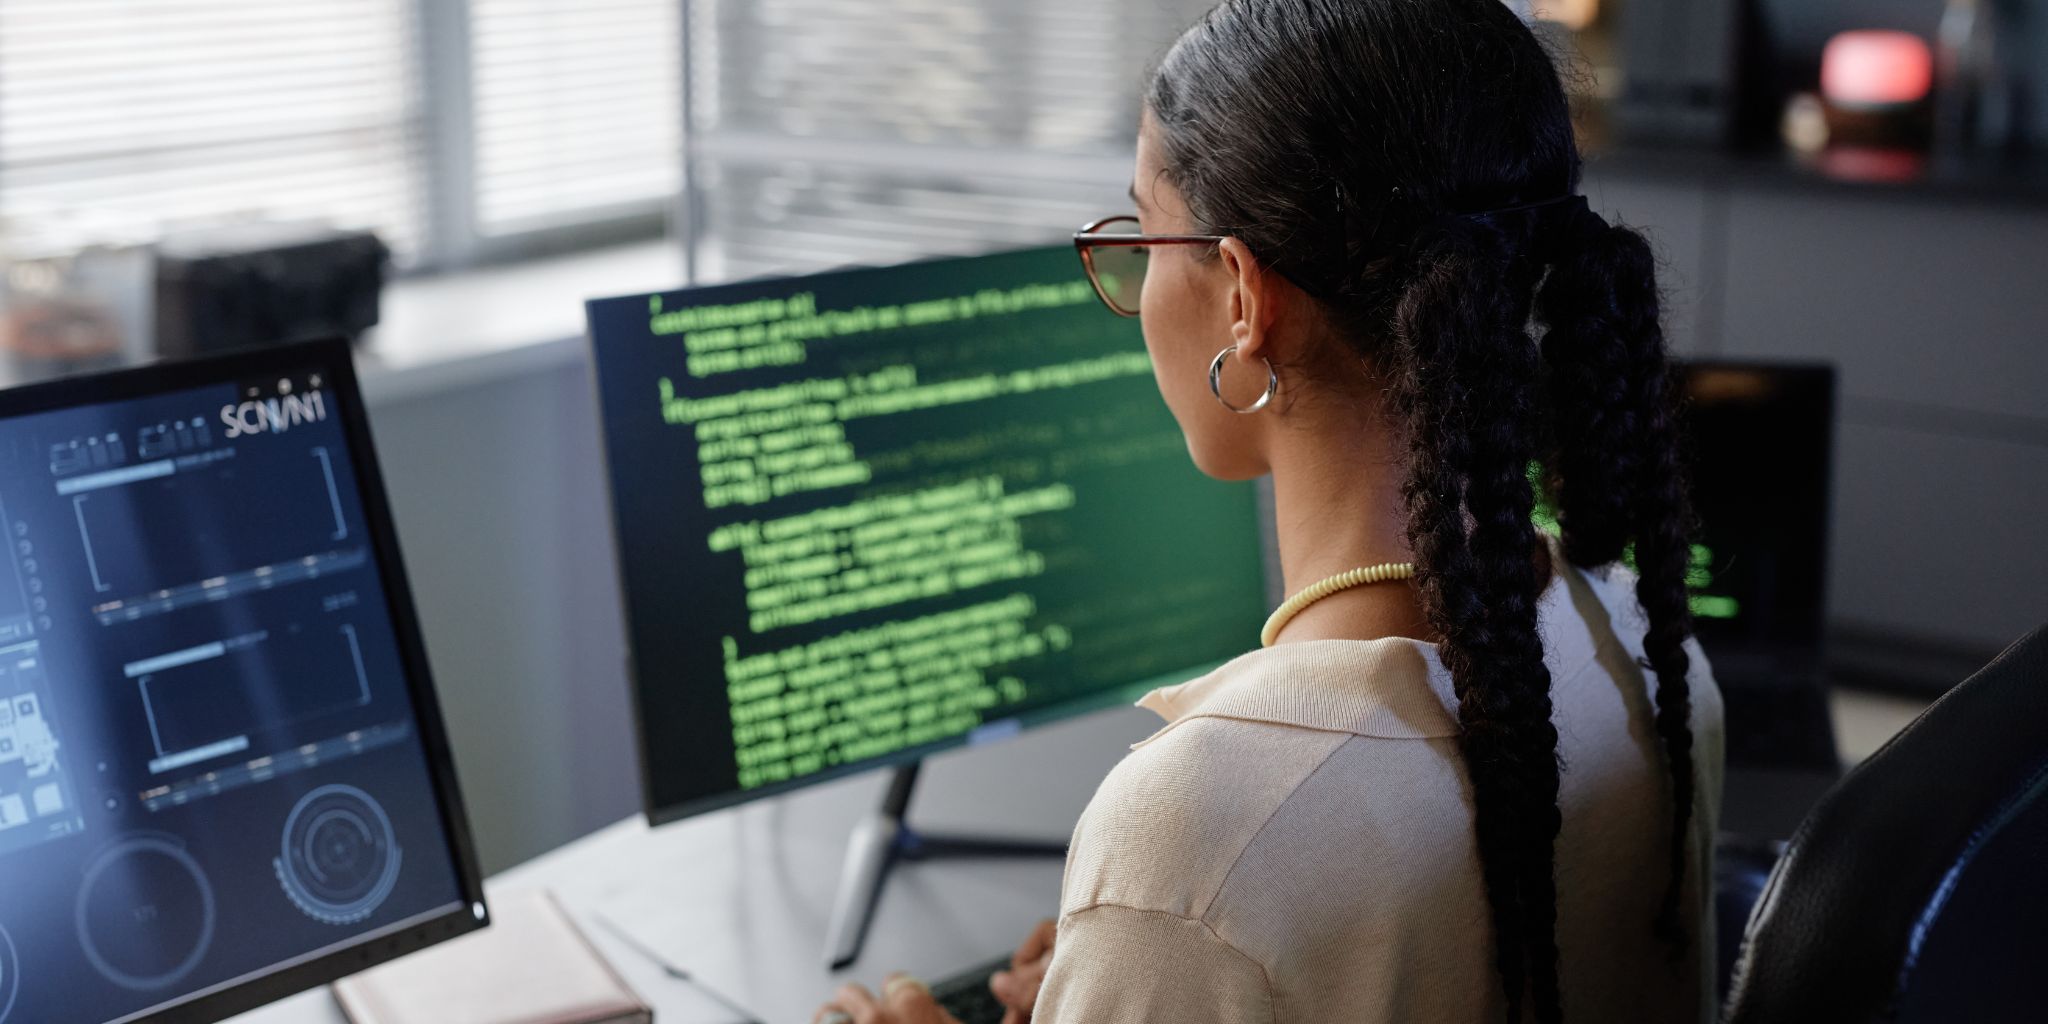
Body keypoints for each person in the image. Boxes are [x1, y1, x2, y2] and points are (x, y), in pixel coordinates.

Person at [813, 0, 1725, 1020]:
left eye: (1143, 233)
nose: (1133, 281)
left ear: (1243, 296)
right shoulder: (1649, 647)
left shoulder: (1200, 828)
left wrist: (1151, 932)